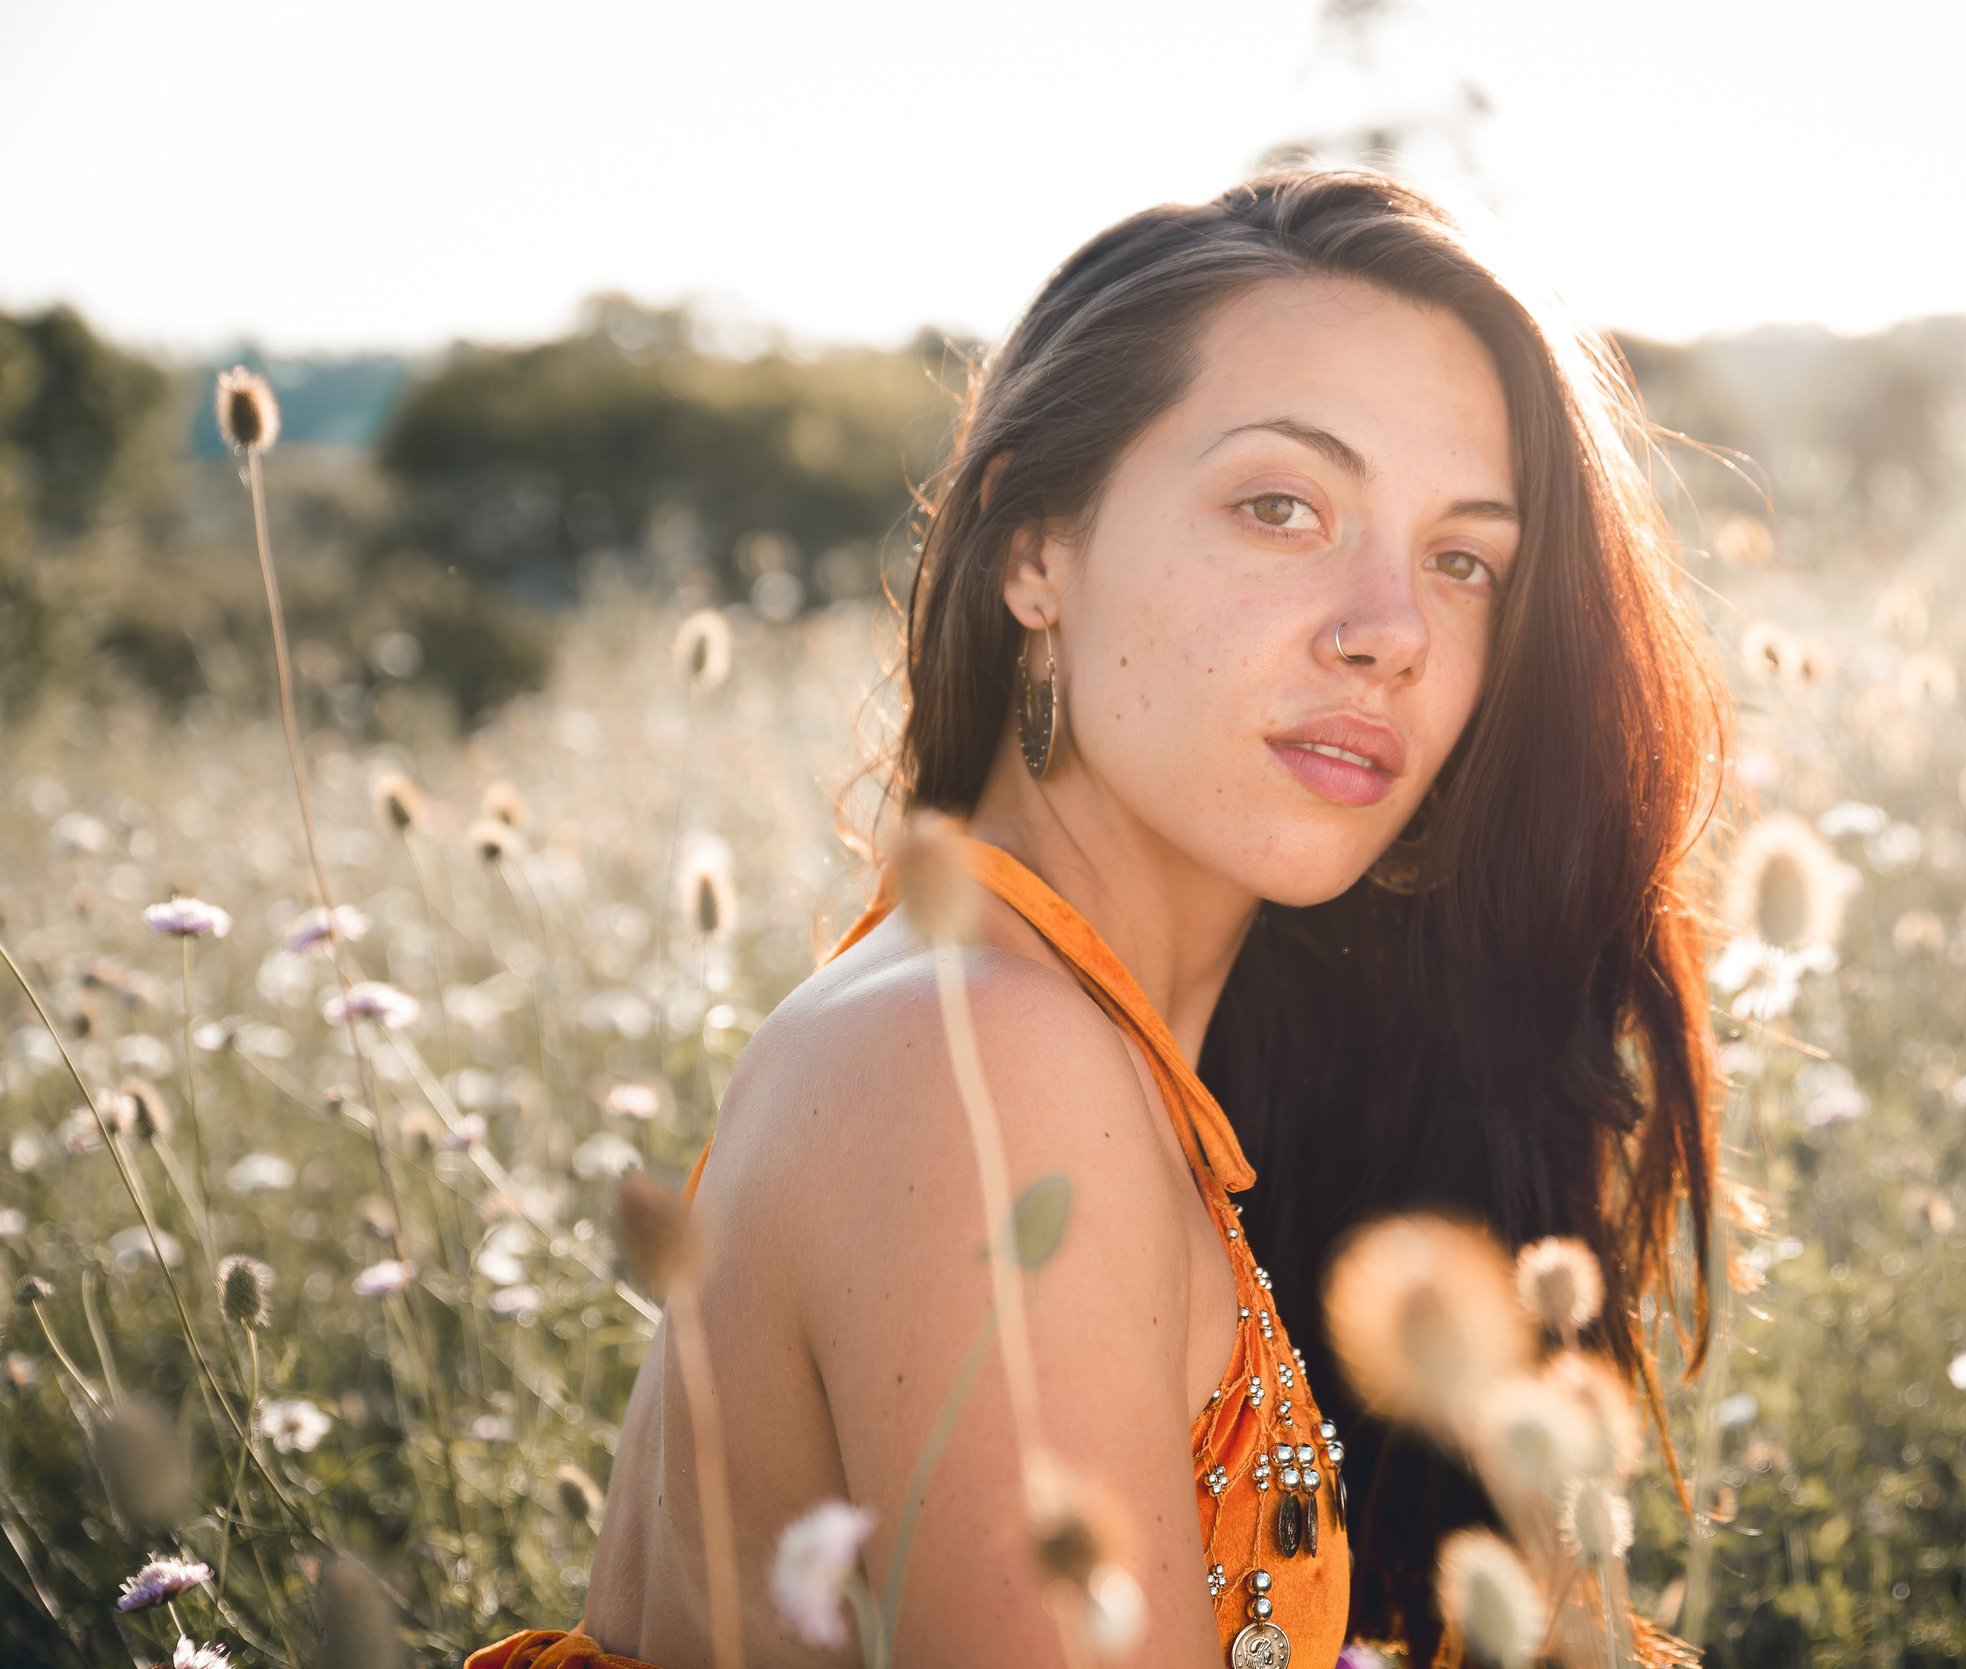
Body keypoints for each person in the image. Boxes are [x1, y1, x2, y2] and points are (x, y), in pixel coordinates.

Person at [467, 161, 1727, 1669]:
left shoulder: (1090, 1047)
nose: (1388, 628)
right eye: (1281, 506)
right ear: (1034, 548)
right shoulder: (978, 1062)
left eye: (1464, 560)